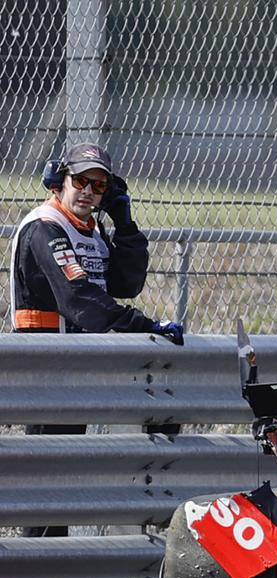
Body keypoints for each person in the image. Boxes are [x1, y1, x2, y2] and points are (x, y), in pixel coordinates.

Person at [10, 142, 183, 535]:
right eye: (80, 181)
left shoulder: (91, 229)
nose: (88, 191)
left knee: (65, 479)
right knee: (46, 482)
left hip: (75, 368)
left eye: (99, 185)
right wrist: (143, 325)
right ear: (59, 181)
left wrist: (126, 226)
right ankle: (39, 569)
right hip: (44, 370)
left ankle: (57, 569)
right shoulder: (45, 226)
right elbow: (79, 300)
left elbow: (126, 283)